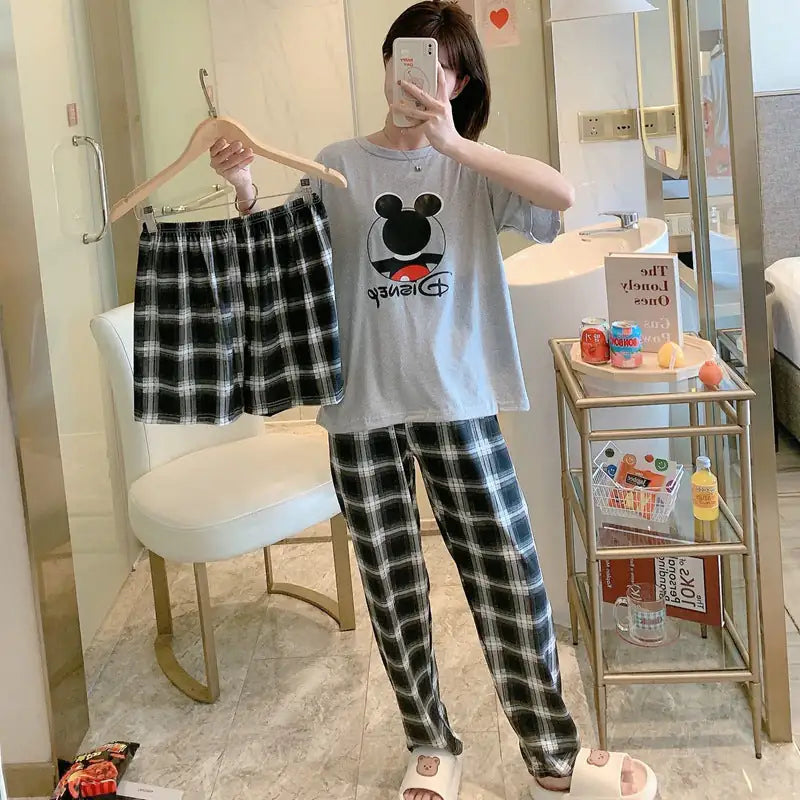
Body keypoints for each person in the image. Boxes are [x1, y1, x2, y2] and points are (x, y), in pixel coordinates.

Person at [209, 3, 656, 799]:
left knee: (508, 572)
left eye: (445, 63)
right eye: (412, 56)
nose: (423, 75)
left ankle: (551, 751)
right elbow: (281, 251)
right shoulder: (338, 163)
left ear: (460, 81)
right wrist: (244, 186)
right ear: (388, 63)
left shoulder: (473, 166)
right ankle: (429, 744)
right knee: (392, 586)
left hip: (459, 400)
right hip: (362, 408)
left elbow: (561, 196)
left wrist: (455, 144)